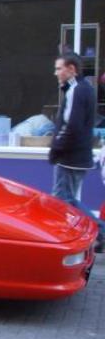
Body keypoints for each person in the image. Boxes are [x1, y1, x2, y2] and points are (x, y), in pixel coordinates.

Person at [49, 52, 105, 252]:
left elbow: (70, 124)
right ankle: (76, 235)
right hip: (77, 155)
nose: (56, 73)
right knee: (67, 199)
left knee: (62, 200)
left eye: (59, 68)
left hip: (70, 156)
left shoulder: (77, 90)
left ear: (71, 69)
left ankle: (99, 230)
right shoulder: (84, 89)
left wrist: (56, 148)